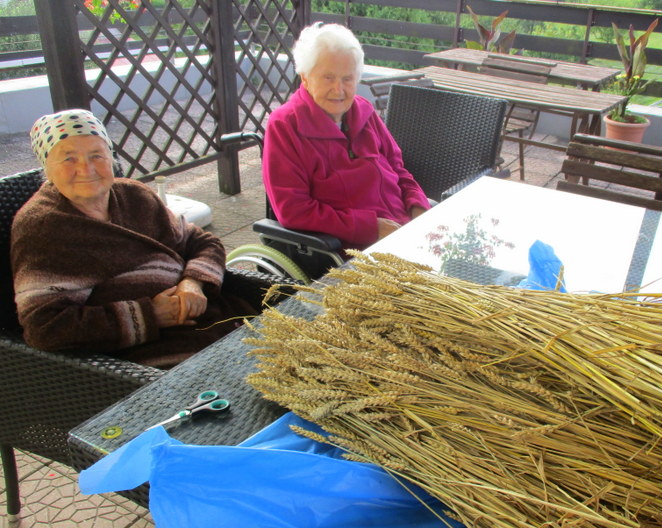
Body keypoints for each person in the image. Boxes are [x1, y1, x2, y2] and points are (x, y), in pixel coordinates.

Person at [11, 109, 257, 369]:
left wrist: (193, 283)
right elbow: (45, 328)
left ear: (111, 158)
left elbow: (204, 242)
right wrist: (150, 315)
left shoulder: (135, 196)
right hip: (152, 354)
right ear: (47, 169)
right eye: (68, 158)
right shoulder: (44, 227)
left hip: (214, 320)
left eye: (97, 155)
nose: (86, 168)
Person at [262, 22, 430, 251]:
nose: (339, 89)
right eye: (328, 78)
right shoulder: (286, 126)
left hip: (405, 230)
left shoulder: (364, 111)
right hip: (354, 249)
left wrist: (418, 205)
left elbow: (398, 168)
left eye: (347, 79)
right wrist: (370, 228)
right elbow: (293, 210)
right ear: (305, 78)